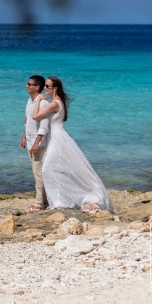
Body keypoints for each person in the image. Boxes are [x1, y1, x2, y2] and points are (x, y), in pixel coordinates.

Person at [31, 76, 113, 214]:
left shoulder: (54, 103)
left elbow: (36, 116)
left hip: (58, 138)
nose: (44, 88)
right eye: (44, 86)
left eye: (47, 86)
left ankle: (60, 201)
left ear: (55, 88)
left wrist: (38, 99)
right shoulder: (57, 102)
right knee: (58, 168)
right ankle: (58, 200)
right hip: (57, 137)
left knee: (48, 169)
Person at [21, 75, 50, 215]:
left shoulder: (43, 102)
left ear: (36, 87)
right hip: (30, 141)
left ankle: (40, 203)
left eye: (29, 84)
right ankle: (43, 200)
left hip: (38, 144)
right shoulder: (30, 100)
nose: (26, 86)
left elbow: (43, 126)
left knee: (38, 172)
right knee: (37, 172)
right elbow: (29, 123)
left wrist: (36, 143)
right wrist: (24, 137)